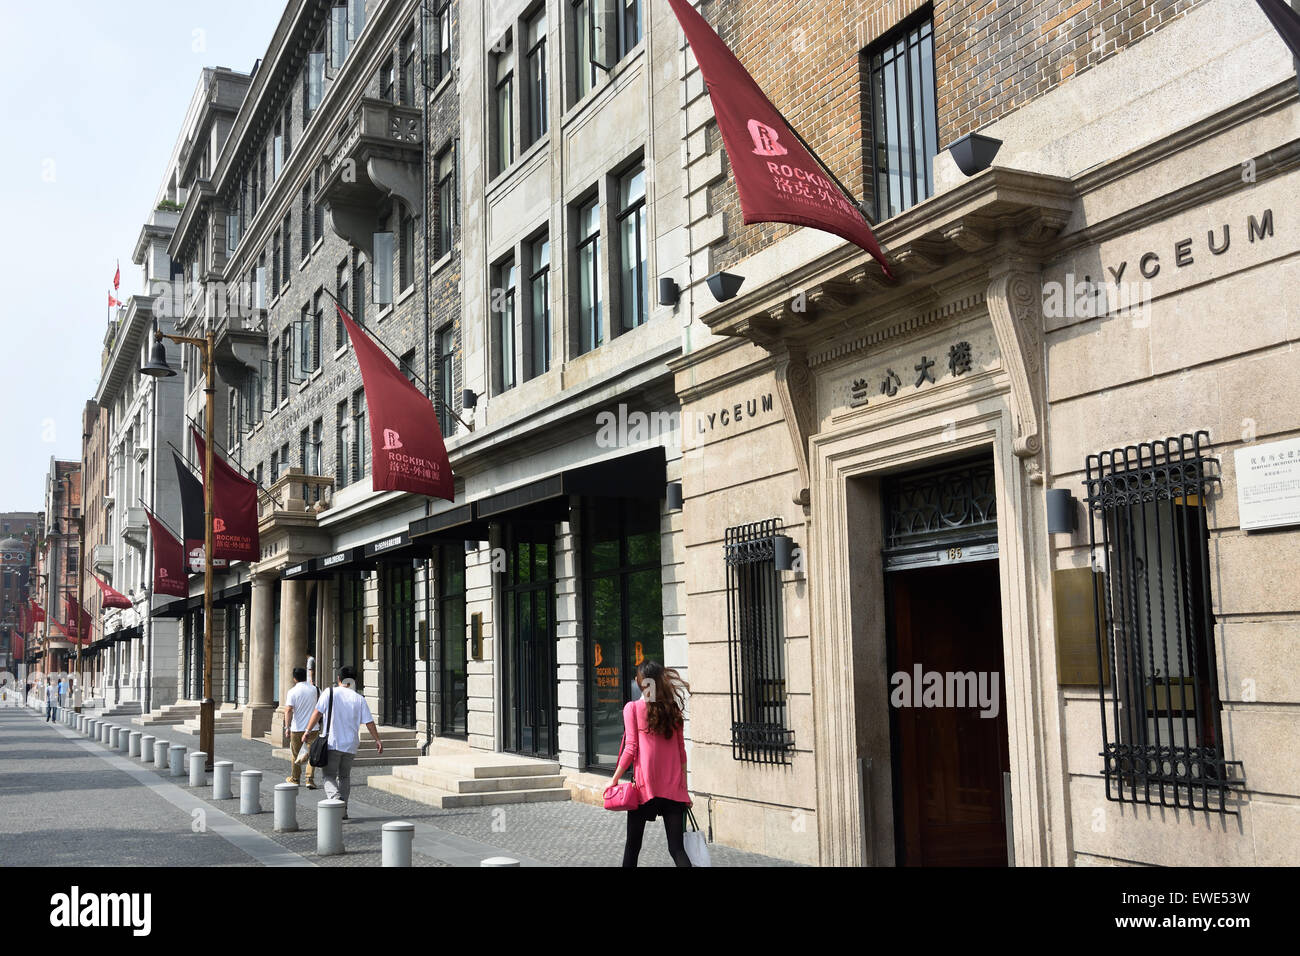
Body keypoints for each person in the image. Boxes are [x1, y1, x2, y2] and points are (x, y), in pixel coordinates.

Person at [609, 660, 693, 867]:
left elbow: (631, 748)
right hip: (673, 790)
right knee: (677, 849)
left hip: (645, 789)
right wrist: (685, 789)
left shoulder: (633, 708)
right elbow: (681, 753)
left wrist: (614, 780)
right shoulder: (673, 710)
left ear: (640, 682)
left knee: (633, 847)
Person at [301, 666, 382, 819]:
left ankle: (336, 799)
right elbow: (369, 722)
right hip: (350, 745)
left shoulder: (330, 693)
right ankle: (343, 809)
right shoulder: (359, 698)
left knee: (329, 775)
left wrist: (307, 731)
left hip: (332, 743)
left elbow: (317, 712)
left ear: (339, 679)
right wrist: (377, 740)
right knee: (344, 777)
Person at [283, 667, 319, 789]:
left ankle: (295, 778)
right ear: (306, 676)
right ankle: (309, 779)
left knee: (295, 754)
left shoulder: (292, 691)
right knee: (312, 754)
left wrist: (286, 727)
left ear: (294, 678)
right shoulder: (316, 690)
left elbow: (288, 710)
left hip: (297, 728)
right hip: (313, 728)